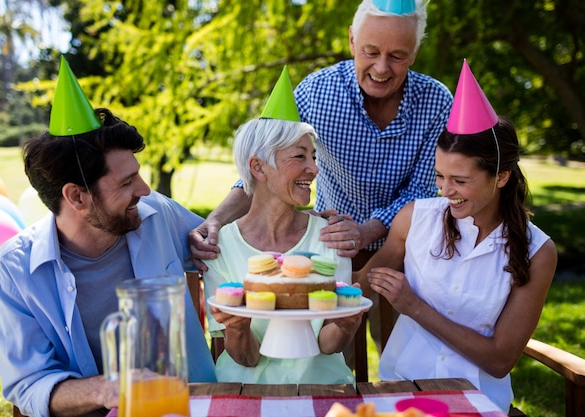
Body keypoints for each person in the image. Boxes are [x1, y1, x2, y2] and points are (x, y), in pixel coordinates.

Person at [189, 0, 453, 352]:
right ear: (351, 42)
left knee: (402, 353)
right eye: (370, 51)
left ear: (415, 52)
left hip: (407, 252)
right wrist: (217, 221)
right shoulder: (317, 92)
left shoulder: (436, 101)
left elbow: (425, 189)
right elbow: (266, 163)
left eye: (398, 56)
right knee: (329, 348)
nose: (381, 67)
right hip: (327, 248)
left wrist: (366, 231)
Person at [0, 57, 216, 417]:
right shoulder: (15, 270)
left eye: (137, 175)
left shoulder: (156, 214)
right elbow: (28, 384)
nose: (145, 189)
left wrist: (313, 223)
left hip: (191, 405)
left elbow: (222, 234)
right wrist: (109, 389)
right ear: (76, 197)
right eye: (127, 182)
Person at [355, 60, 557, 412]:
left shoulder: (538, 251)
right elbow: (359, 285)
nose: (446, 191)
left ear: (502, 176)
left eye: (460, 181)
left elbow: (499, 360)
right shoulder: (414, 219)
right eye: (439, 176)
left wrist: (414, 306)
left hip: (480, 403)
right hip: (404, 395)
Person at [203, 67, 365, 384]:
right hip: (245, 393)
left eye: (314, 156)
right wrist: (237, 328)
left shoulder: (331, 237)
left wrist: (345, 325)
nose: (314, 168)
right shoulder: (220, 246)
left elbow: (328, 346)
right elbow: (245, 358)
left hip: (324, 390)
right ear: (259, 167)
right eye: (299, 156)